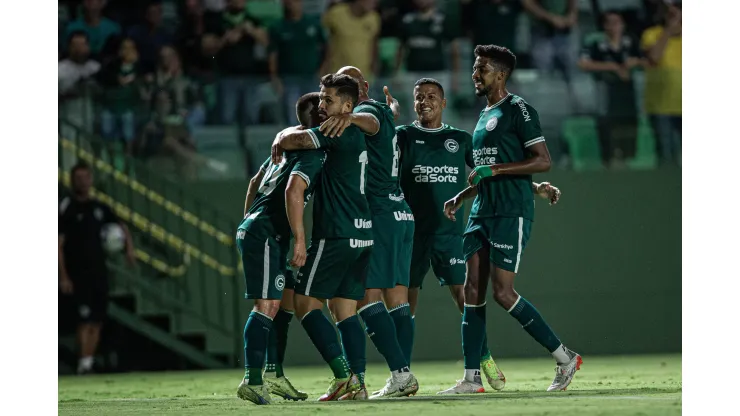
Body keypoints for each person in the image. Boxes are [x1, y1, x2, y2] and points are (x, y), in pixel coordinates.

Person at [397, 77, 562, 391]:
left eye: (432, 96)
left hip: (448, 234)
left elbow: (489, 176)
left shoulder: (459, 139)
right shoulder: (402, 136)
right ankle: (401, 375)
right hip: (412, 234)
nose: (425, 102)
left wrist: (537, 187)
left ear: (444, 103)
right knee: (405, 304)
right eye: (419, 97)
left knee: (468, 299)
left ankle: (482, 359)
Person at [438, 45, 581, 394]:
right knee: (472, 291)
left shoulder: (519, 109)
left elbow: (542, 159)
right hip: (480, 213)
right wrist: (462, 195)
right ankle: (472, 379)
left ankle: (565, 357)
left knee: (502, 293)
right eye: (474, 68)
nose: (475, 74)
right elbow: (487, 173)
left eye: (481, 68)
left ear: (500, 74)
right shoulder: (484, 114)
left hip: (510, 214)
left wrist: (504, 172)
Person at [316, 66, 417, 400]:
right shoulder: (383, 111)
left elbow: (370, 121)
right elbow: (381, 123)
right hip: (399, 210)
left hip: (380, 212)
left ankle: (395, 374)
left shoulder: (366, 110)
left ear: (360, 90)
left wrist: (351, 119)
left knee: (363, 298)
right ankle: (396, 374)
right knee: (397, 299)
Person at [271, 74, 370, 401]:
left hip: (336, 234)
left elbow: (293, 142)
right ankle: (359, 384)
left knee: (304, 303)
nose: (321, 106)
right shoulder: (358, 130)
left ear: (347, 105)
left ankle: (345, 376)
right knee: (344, 308)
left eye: (327, 100)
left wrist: (283, 132)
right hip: (361, 234)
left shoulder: (335, 130)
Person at [235, 93, 325, 405]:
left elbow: (253, 183)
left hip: (262, 231)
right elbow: (291, 191)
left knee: (284, 303)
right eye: (325, 108)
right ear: (318, 117)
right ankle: (252, 379)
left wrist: (247, 222)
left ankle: (274, 375)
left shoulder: (283, 151)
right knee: (267, 306)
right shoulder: (310, 154)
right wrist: (298, 239)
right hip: (266, 233)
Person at [59, 161, 136, 375]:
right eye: (78, 178)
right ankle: (82, 363)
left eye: (86, 177)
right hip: (77, 274)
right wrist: (63, 276)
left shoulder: (99, 208)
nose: (83, 182)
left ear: (91, 180)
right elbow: (58, 245)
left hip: (99, 272)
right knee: (84, 320)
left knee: (97, 320)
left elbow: (122, 227)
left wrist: (129, 249)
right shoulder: (67, 208)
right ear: (72, 180)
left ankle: (87, 363)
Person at [578, 11, 643, 168]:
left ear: (623, 25)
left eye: (617, 22)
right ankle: (609, 159)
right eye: (609, 22)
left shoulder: (630, 42)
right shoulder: (597, 44)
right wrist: (613, 67)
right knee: (607, 124)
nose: (613, 27)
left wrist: (633, 63)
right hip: (606, 90)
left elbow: (646, 61)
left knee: (629, 125)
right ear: (604, 26)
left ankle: (627, 159)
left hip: (628, 92)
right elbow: (583, 63)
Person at [641, 1, 681, 165]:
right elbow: (655, 57)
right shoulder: (652, 34)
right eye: (670, 14)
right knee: (665, 153)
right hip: (661, 105)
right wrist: (668, 32)